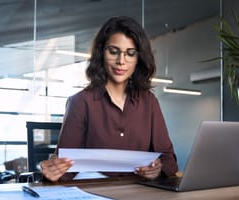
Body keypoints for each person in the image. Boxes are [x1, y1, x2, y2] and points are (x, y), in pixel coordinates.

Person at [40, 16, 178, 182]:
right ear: (101, 53)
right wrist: (53, 171)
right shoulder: (81, 102)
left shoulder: (149, 102)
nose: (121, 61)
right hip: (95, 192)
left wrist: (157, 169)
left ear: (138, 59)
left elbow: (169, 161)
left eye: (130, 54)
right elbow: (65, 169)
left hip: (140, 193)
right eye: (113, 51)